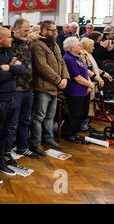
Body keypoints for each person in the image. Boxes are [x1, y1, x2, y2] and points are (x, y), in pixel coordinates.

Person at [0, 27, 25, 184]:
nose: (12, 39)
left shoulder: (8, 52)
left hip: (10, 98)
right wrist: (12, 68)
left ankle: (0, 162)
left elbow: (23, 69)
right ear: (0, 39)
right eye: (9, 37)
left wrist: (9, 67)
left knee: (5, 133)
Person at [30, 20, 69, 156]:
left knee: (50, 116)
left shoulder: (55, 45)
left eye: (56, 30)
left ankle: (48, 138)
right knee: (39, 117)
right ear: (44, 31)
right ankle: (36, 143)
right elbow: (42, 67)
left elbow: (62, 62)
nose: (56, 33)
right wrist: (59, 80)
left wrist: (65, 78)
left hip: (55, 86)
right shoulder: (37, 45)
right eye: (53, 30)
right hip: (43, 87)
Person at [5, 18, 39, 161]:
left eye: (28, 29)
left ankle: (22, 147)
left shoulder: (28, 42)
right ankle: (6, 152)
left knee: (26, 120)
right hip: (15, 88)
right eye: (25, 30)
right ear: (16, 28)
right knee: (13, 123)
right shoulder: (8, 43)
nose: (27, 32)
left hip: (28, 87)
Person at [62, 37, 93, 143]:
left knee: (81, 113)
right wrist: (90, 84)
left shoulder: (78, 57)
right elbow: (76, 77)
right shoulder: (68, 58)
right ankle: (68, 134)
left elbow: (85, 71)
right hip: (74, 91)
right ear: (72, 47)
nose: (80, 46)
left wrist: (88, 84)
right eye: (78, 44)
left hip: (83, 90)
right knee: (74, 114)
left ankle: (74, 132)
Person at [79, 38, 113, 125]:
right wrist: (97, 78)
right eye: (92, 45)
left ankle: (87, 123)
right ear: (86, 46)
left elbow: (95, 68)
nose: (94, 48)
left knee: (91, 103)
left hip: (93, 81)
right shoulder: (82, 55)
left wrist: (105, 74)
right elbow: (86, 70)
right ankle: (84, 125)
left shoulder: (89, 54)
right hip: (86, 82)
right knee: (87, 104)